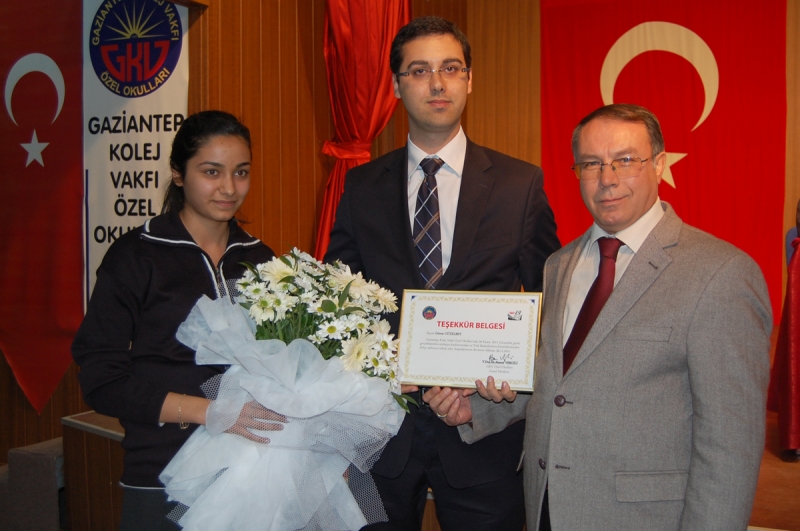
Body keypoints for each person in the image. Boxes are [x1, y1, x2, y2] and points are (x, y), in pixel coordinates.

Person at [430, 103, 772, 531]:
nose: (607, 179)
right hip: (546, 507)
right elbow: (558, 382)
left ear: (660, 164)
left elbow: (730, 446)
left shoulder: (721, 274)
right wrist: (478, 410)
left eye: (625, 160)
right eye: (591, 164)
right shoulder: (559, 264)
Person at [324, 16, 560, 531]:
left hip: (484, 434)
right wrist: (377, 372)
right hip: (381, 433)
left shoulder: (519, 185)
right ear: (396, 86)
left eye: (451, 68)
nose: (437, 83)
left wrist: (512, 380)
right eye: (419, 70)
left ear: (469, 80)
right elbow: (336, 306)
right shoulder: (362, 186)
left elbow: (552, 307)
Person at [72, 110, 282, 531]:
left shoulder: (261, 260)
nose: (229, 188)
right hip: (165, 473)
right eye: (211, 172)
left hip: (254, 470)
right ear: (178, 174)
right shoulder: (136, 255)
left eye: (241, 172)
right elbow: (101, 380)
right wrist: (211, 412)